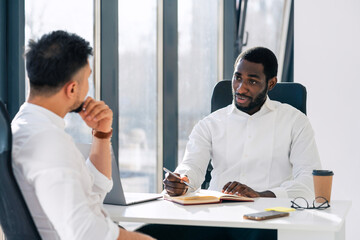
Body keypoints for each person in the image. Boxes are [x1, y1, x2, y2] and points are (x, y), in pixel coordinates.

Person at [138, 46, 321, 240]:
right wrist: (181, 182)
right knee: (149, 233)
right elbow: (191, 167)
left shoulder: (295, 122)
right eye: (238, 78)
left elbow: (309, 181)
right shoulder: (209, 124)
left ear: (271, 84)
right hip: (215, 217)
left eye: (252, 81)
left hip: (265, 219)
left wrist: (261, 195)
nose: (241, 88)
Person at [11, 30, 154, 240]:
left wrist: (102, 133)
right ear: (72, 89)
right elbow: (87, 234)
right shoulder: (48, 142)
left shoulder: (27, 127)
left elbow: (94, 192)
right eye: (88, 78)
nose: (89, 88)